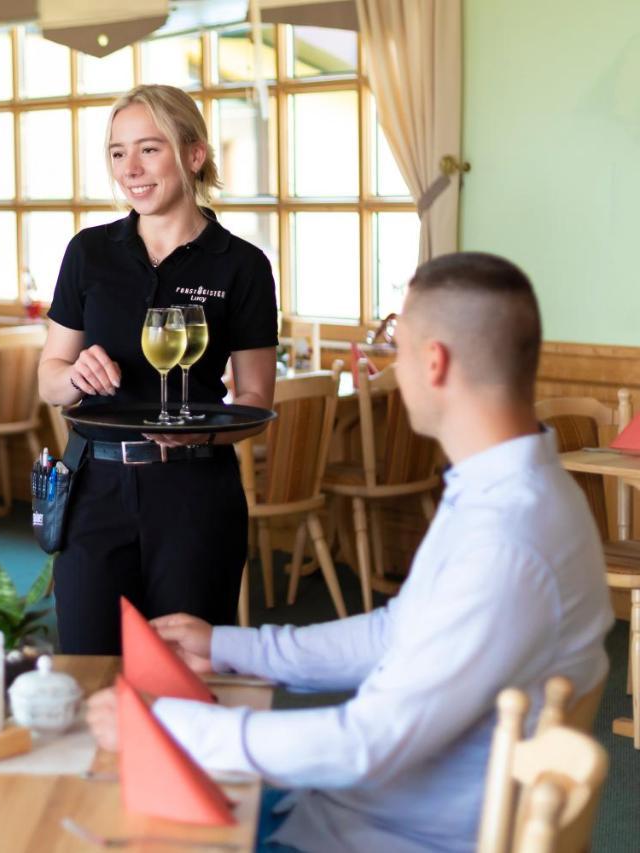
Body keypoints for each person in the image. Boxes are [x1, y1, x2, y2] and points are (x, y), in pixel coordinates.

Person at [85, 252, 614, 852]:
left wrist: (171, 728)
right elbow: (397, 634)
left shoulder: (507, 539)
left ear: (434, 362)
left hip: (379, 834)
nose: (395, 365)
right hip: (356, 812)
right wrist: (228, 646)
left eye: (398, 347)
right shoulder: (507, 492)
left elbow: (364, 744)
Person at [38, 84, 279, 655]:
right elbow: (49, 377)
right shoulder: (88, 252)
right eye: (118, 152)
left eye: (150, 149)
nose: (131, 169)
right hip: (93, 487)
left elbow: (255, 399)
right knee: (88, 663)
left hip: (194, 491)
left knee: (186, 670)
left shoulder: (241, 265)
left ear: (194, 155)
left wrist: (209, 429)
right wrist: (75, 375)